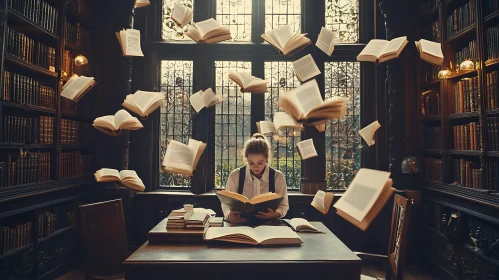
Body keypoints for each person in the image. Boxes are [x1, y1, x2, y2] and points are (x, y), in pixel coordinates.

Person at [221, 133, 289, 223]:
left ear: (266, 159)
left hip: (269, 226)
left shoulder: (277, 177)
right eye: (251, 163)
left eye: (260, 163)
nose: (256, 167)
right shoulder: (235, 176)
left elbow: (284, 205)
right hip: (241, 225)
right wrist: (229, 215)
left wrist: (276, 214)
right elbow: (226, 204)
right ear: (246, 159)